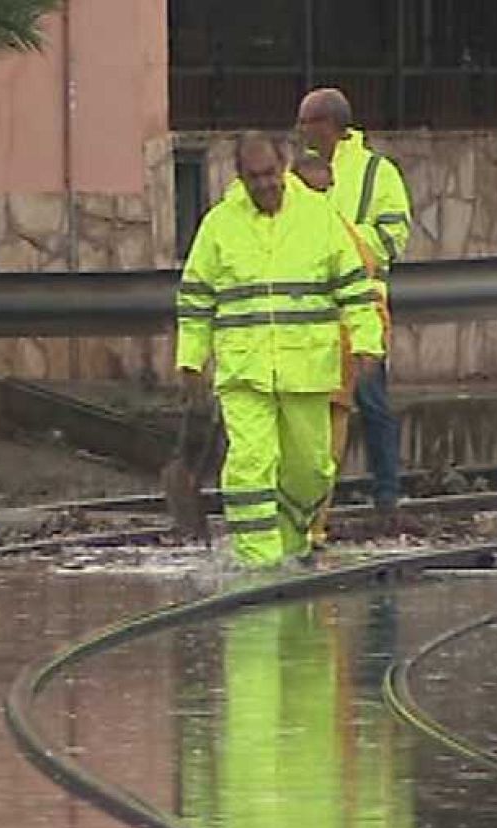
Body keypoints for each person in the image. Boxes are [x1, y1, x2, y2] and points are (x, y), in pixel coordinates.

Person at [176, 132, 382, 569]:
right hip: (244, 371)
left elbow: (354, 288)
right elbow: (195, 298)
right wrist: (190, 358)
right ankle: (260, 564)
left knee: (311, 470)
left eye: (270, 173)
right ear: (239, 177)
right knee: (251, 463)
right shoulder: (219, 225)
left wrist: (367, 342)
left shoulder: (319, 218)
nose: (265, 184)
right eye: (254, 177)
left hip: (306, 368)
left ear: (284, 165)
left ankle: (291, 545)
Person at [297, 87, 413, 524]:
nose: (301, 130)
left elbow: (393, 237)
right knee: (319, 411)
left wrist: (339, 243)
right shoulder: (300, 172)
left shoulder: (376, 173)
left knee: (372, 402)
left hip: (361, 309)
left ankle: (387, 498)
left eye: (307, 121)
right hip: (313, 312)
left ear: (329, 124)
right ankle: (317, 505)